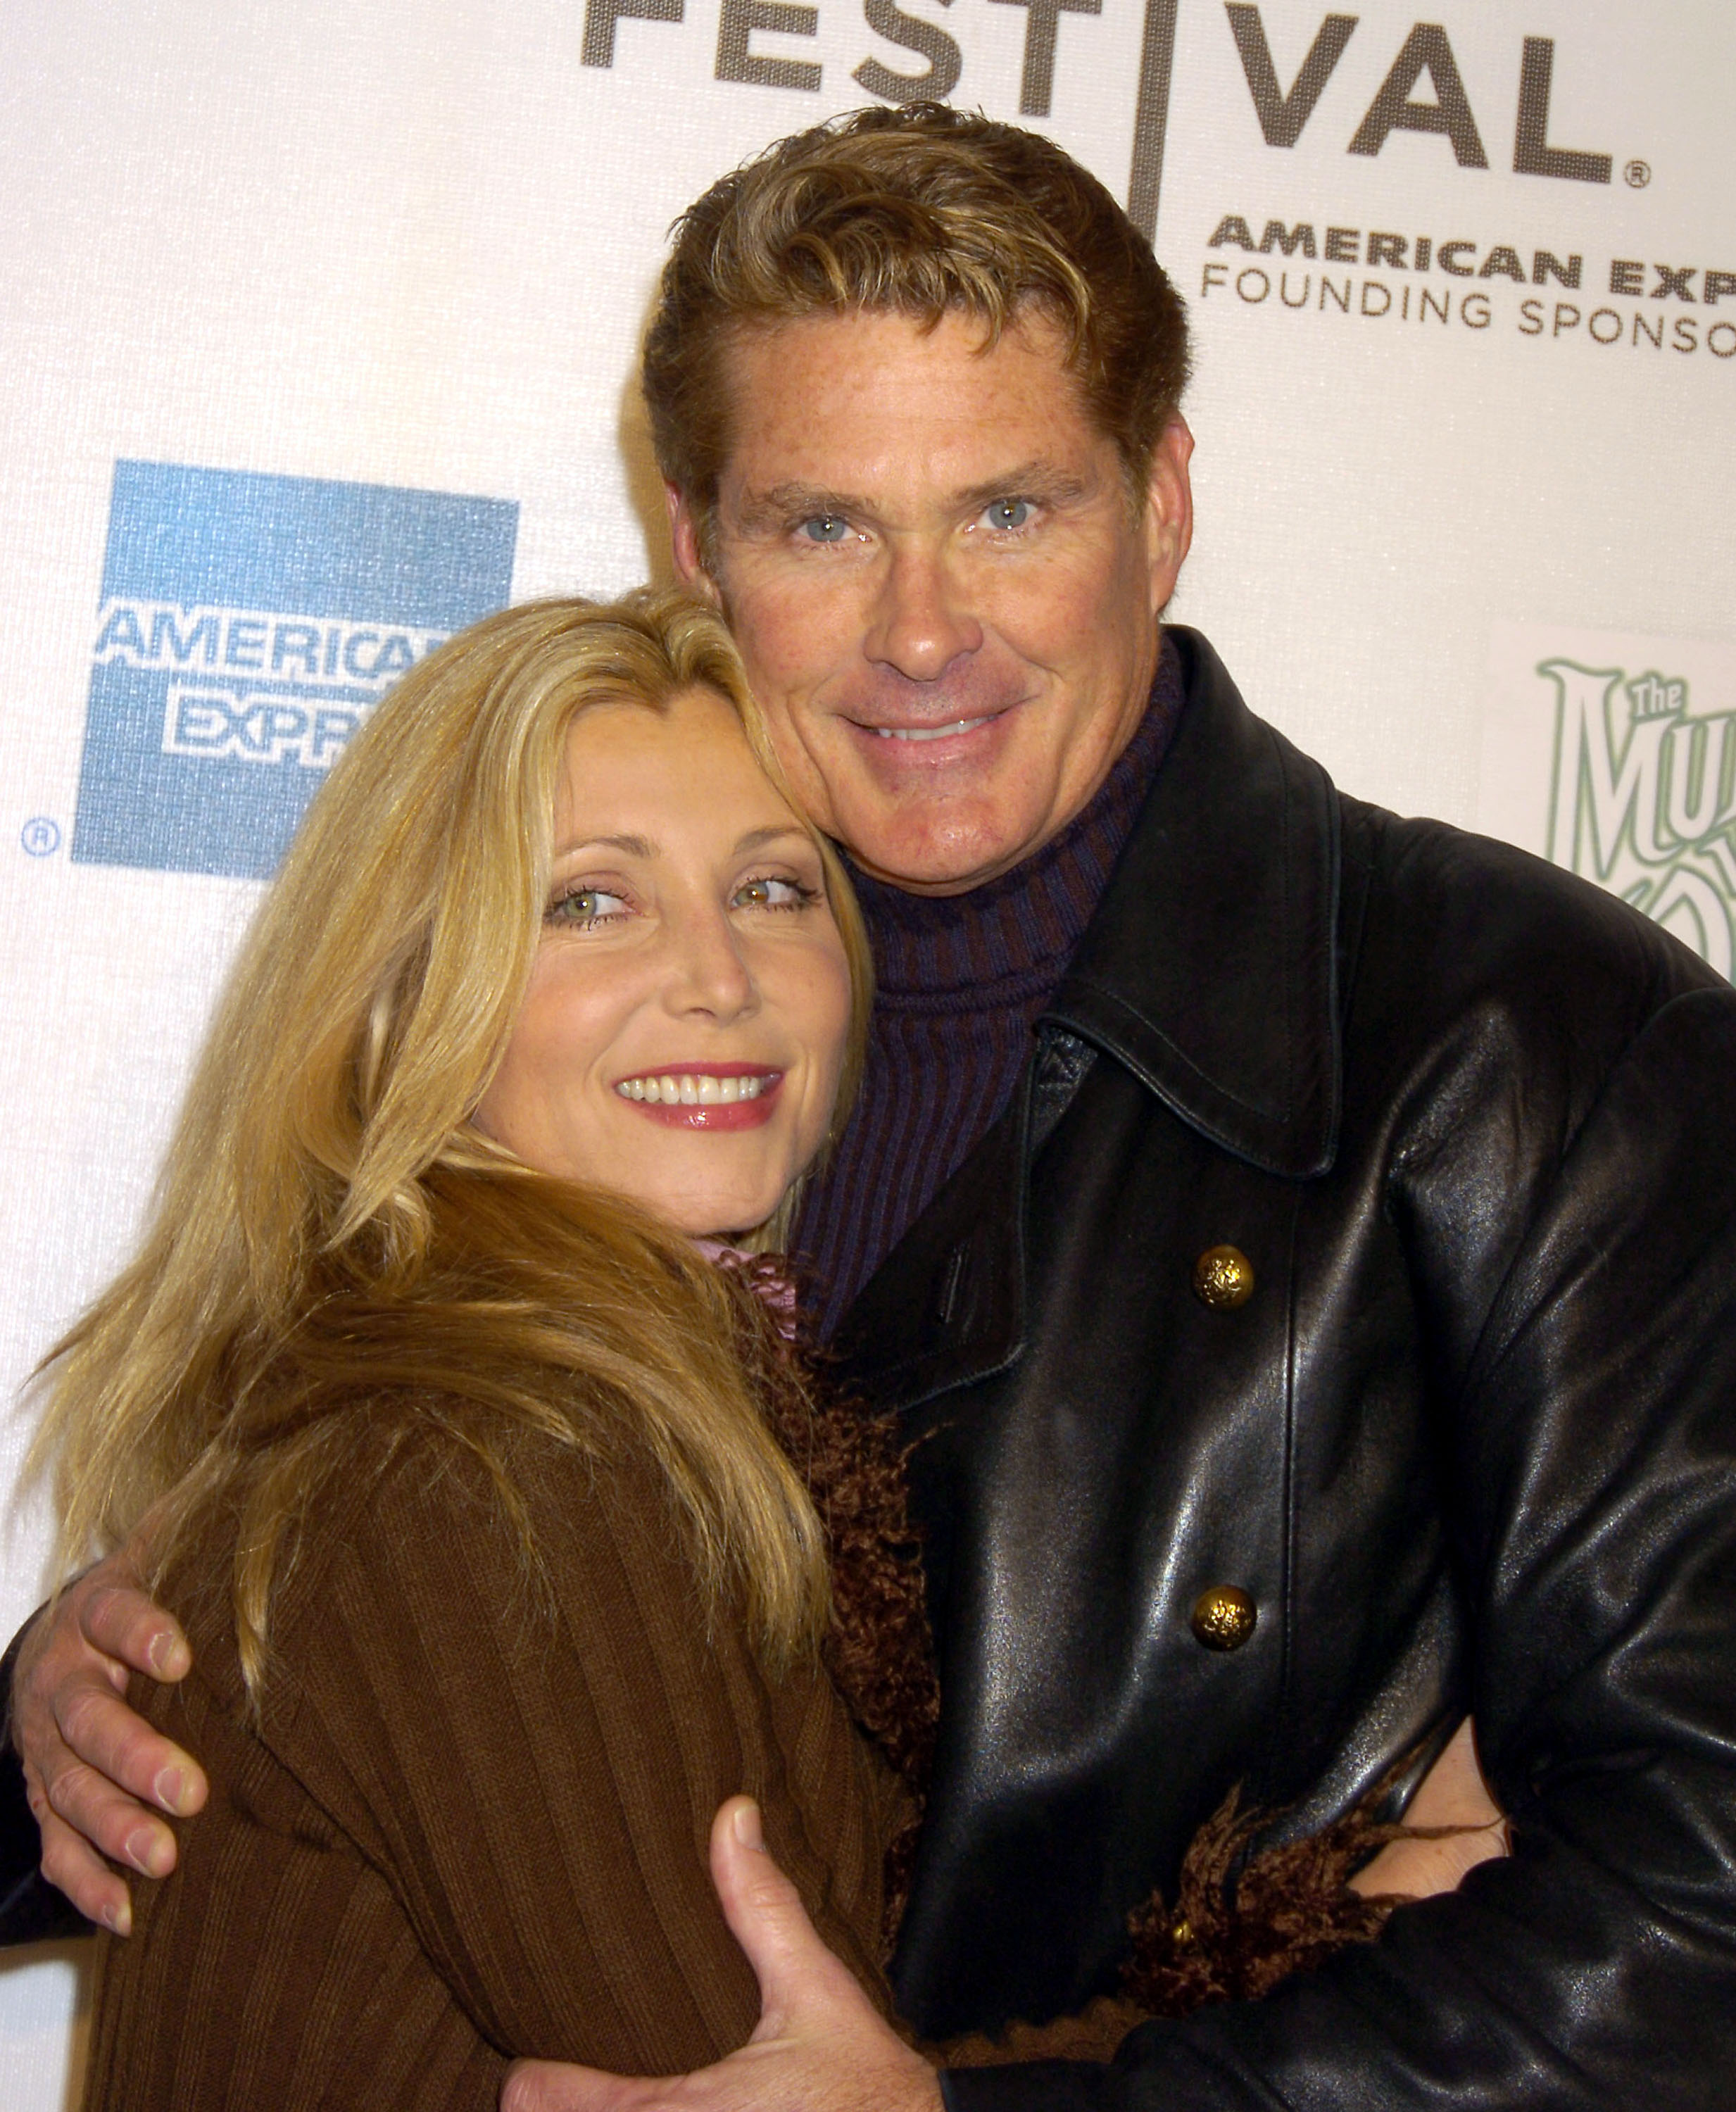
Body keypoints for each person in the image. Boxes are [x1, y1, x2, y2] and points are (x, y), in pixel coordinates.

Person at [11, 103, 1736, 2109]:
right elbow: (437, 1631)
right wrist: (89, 1703)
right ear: (699, 544)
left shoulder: (1535, 1049)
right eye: (825, 524)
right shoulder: (614, 1087)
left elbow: (1696, 1908)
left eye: (1011, 510)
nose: (923, 631)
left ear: (1160, 508)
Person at [25, 591, 922, 2106]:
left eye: (774, 889)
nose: (721, 976)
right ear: (400, 1008)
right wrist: (1374, 1956)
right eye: (589, 902)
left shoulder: (630, 1405)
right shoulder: (504, 1470)